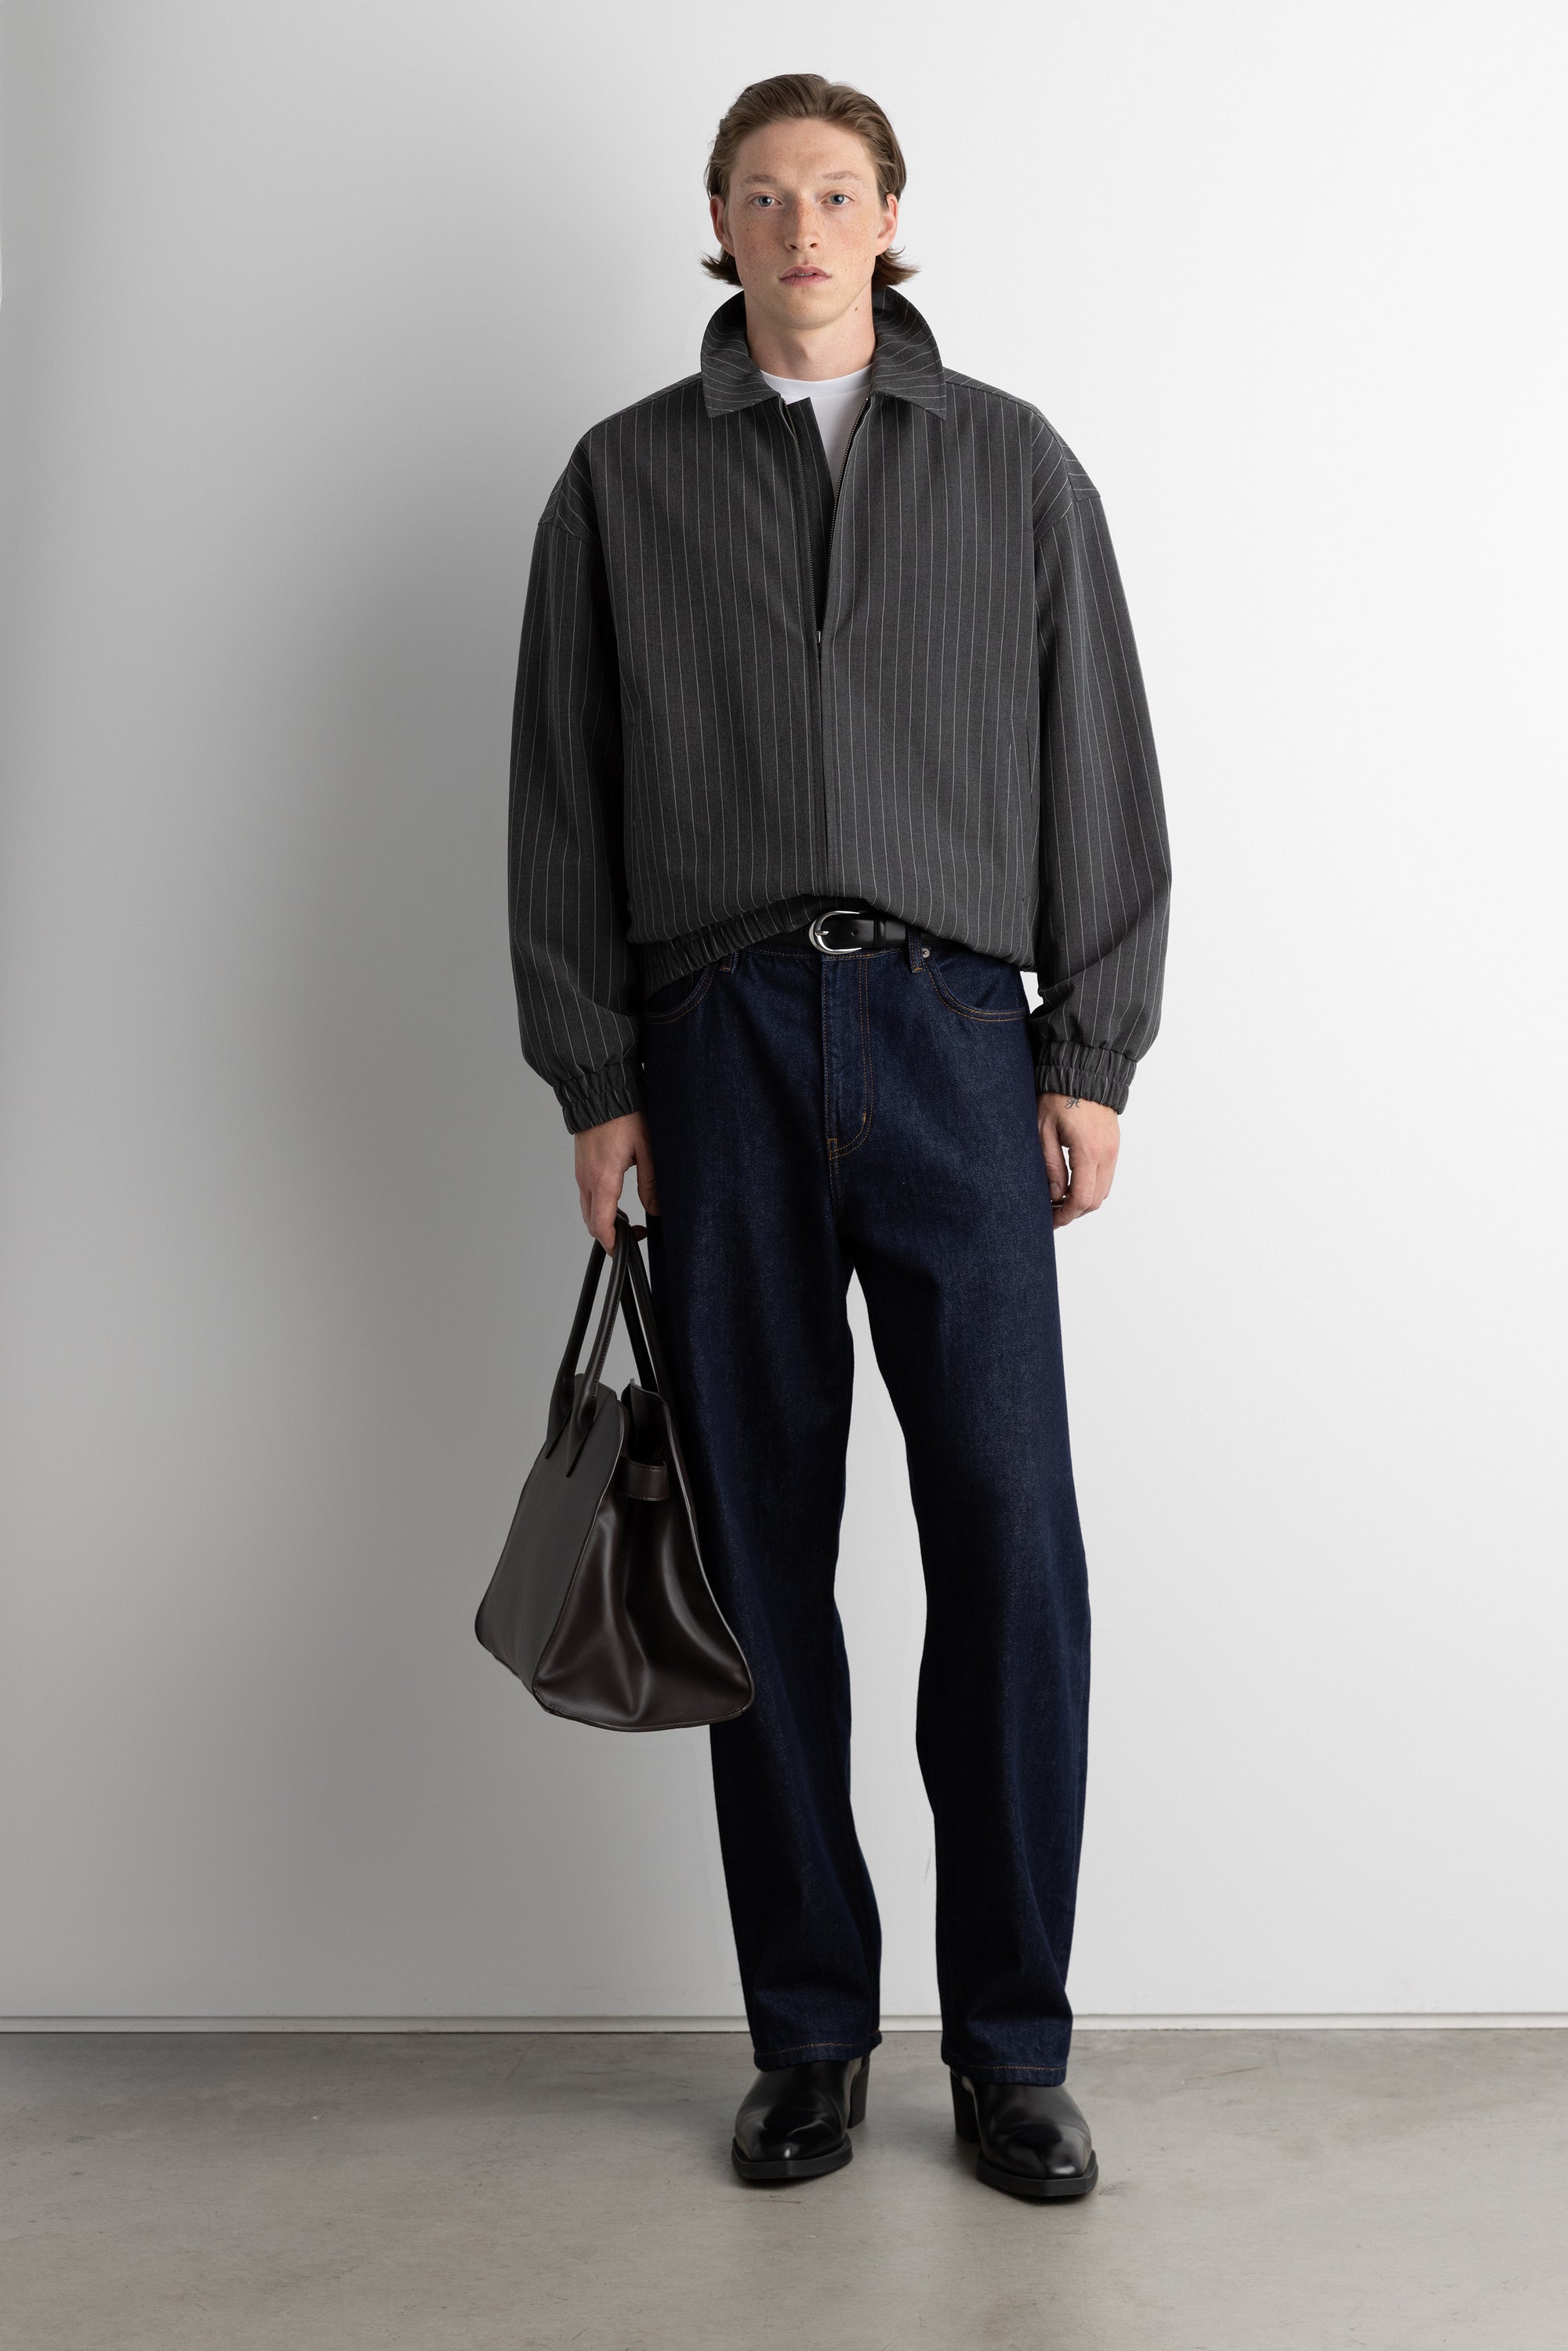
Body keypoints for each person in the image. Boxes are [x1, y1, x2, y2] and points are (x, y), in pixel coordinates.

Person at [506, 72, 1171, 2199]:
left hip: (963, 1039)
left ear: (892, 216)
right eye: (765, 192)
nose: (802, 224)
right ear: (718, 222)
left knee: (1010, 1539)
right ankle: (807, 2036)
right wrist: (595, 1075)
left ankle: (1011, 2049)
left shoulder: (1015, 466)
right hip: (716, 1044)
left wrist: (1094, 1050)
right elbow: (563, 796)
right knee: (755, 1553)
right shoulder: (621, 481)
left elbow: (1099, 763)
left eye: (838, 190)